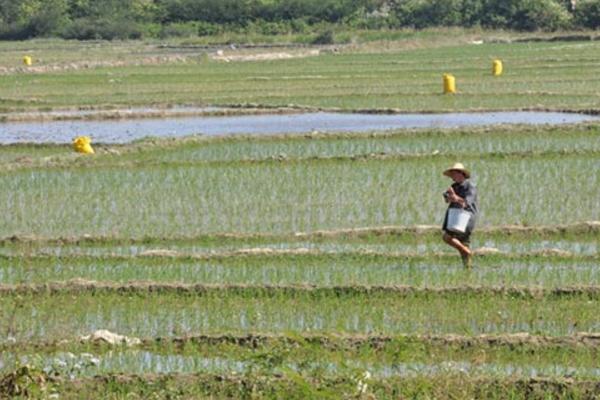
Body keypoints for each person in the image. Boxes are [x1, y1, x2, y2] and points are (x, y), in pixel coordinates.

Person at [441, 163, 478, 268]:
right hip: (455, 218)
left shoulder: (470, 187)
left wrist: (455, 197)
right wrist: (449, 197)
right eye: (451, 175)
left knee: (447, 237)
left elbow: (466, 203)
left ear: (461, 174)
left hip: (466, 219)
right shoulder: (454, 187)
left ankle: (466, 251)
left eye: (454, 174)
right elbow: (447, 200)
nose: (452, 177)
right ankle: (468, 270)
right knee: (464, 244)